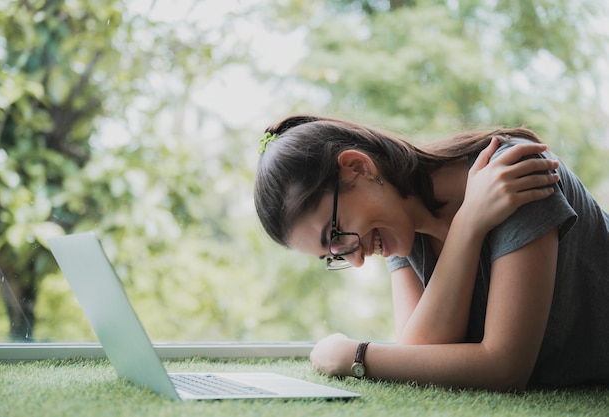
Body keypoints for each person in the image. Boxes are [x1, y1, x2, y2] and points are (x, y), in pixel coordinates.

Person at [254, 114, 609, 391]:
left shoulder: (510, 173)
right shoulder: (399, 232)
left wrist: (353, 355)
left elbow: (504, 367)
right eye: (333, 253)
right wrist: (468, 228)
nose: (356, 258)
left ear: (359, 168)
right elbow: (419, 354)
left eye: (335, 234)